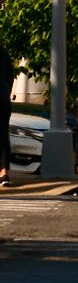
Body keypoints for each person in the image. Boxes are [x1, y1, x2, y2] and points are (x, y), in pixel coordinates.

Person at [0, 40, 13, 187]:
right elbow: (10, 75)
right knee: (3, 135)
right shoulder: (3, 52)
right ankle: (4, 173)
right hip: (3, 98)